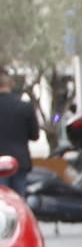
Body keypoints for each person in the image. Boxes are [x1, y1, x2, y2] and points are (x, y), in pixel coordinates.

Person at [0, 71, 39, 199]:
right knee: (19, 200)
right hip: (20, 161)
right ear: (11, 85)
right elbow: (34, 135)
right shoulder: (25, 107)